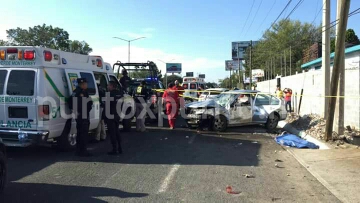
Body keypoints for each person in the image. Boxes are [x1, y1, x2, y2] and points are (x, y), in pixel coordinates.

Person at [69, 78, 93, 157]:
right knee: (83, 134)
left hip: (79, 115)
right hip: (83, 115)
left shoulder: (75, 92)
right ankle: (83, 151)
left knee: (79, 133)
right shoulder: (81, 93)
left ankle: (78, 150)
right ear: (82, 84)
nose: (86, 85)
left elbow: (70, 103)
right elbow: (87, 104)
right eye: (85, 83)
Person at [104, 81, 123, 155]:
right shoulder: (120, 94)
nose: (107, 87)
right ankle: (120, 147)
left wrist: (104, 117)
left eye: (108, 85)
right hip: (117, 115)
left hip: (110, 116)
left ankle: (114, 149)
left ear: (112, 86)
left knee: (112, 133)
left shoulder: (109, 94)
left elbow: (107, 106)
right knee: (117, 131)